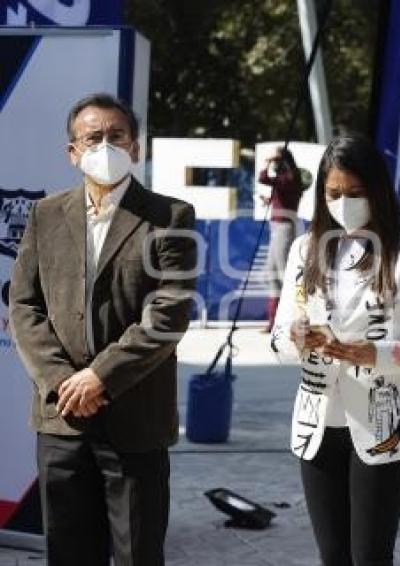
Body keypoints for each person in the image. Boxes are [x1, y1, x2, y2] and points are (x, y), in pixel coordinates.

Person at [9, 93, 197, 565]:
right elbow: (24, 305)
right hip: (62, 420)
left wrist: (100, 377)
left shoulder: (170, 217)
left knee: (137, 553)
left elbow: (168, 313)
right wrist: (61, 381)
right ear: (73, 152)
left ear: (135, 147)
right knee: (69, 553)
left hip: (135, 421)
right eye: (93, 138)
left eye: (117, 136)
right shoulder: (45, 215)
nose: (106, 146)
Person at [270, 133, 400, 565]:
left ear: (377, 191)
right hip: (316, 422)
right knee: (332, 555)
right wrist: (296, 338)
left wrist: (377, 354)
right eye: (333, 193)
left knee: (371, 555)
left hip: (383, 420)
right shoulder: (304, 248)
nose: (344, 202)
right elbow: (277, 341)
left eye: (355, 193)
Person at [258, 145, 304, 332]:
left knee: (285, 274)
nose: (274, 165)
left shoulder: (290, 178)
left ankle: (296, 317)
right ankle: (273, 321)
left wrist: (269, 162)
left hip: (284, 228)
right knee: (271, 274)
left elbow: (263, 178)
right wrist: (269, 202)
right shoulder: (285, 180)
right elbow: (279, 194)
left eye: (278, 161)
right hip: (277, 228)